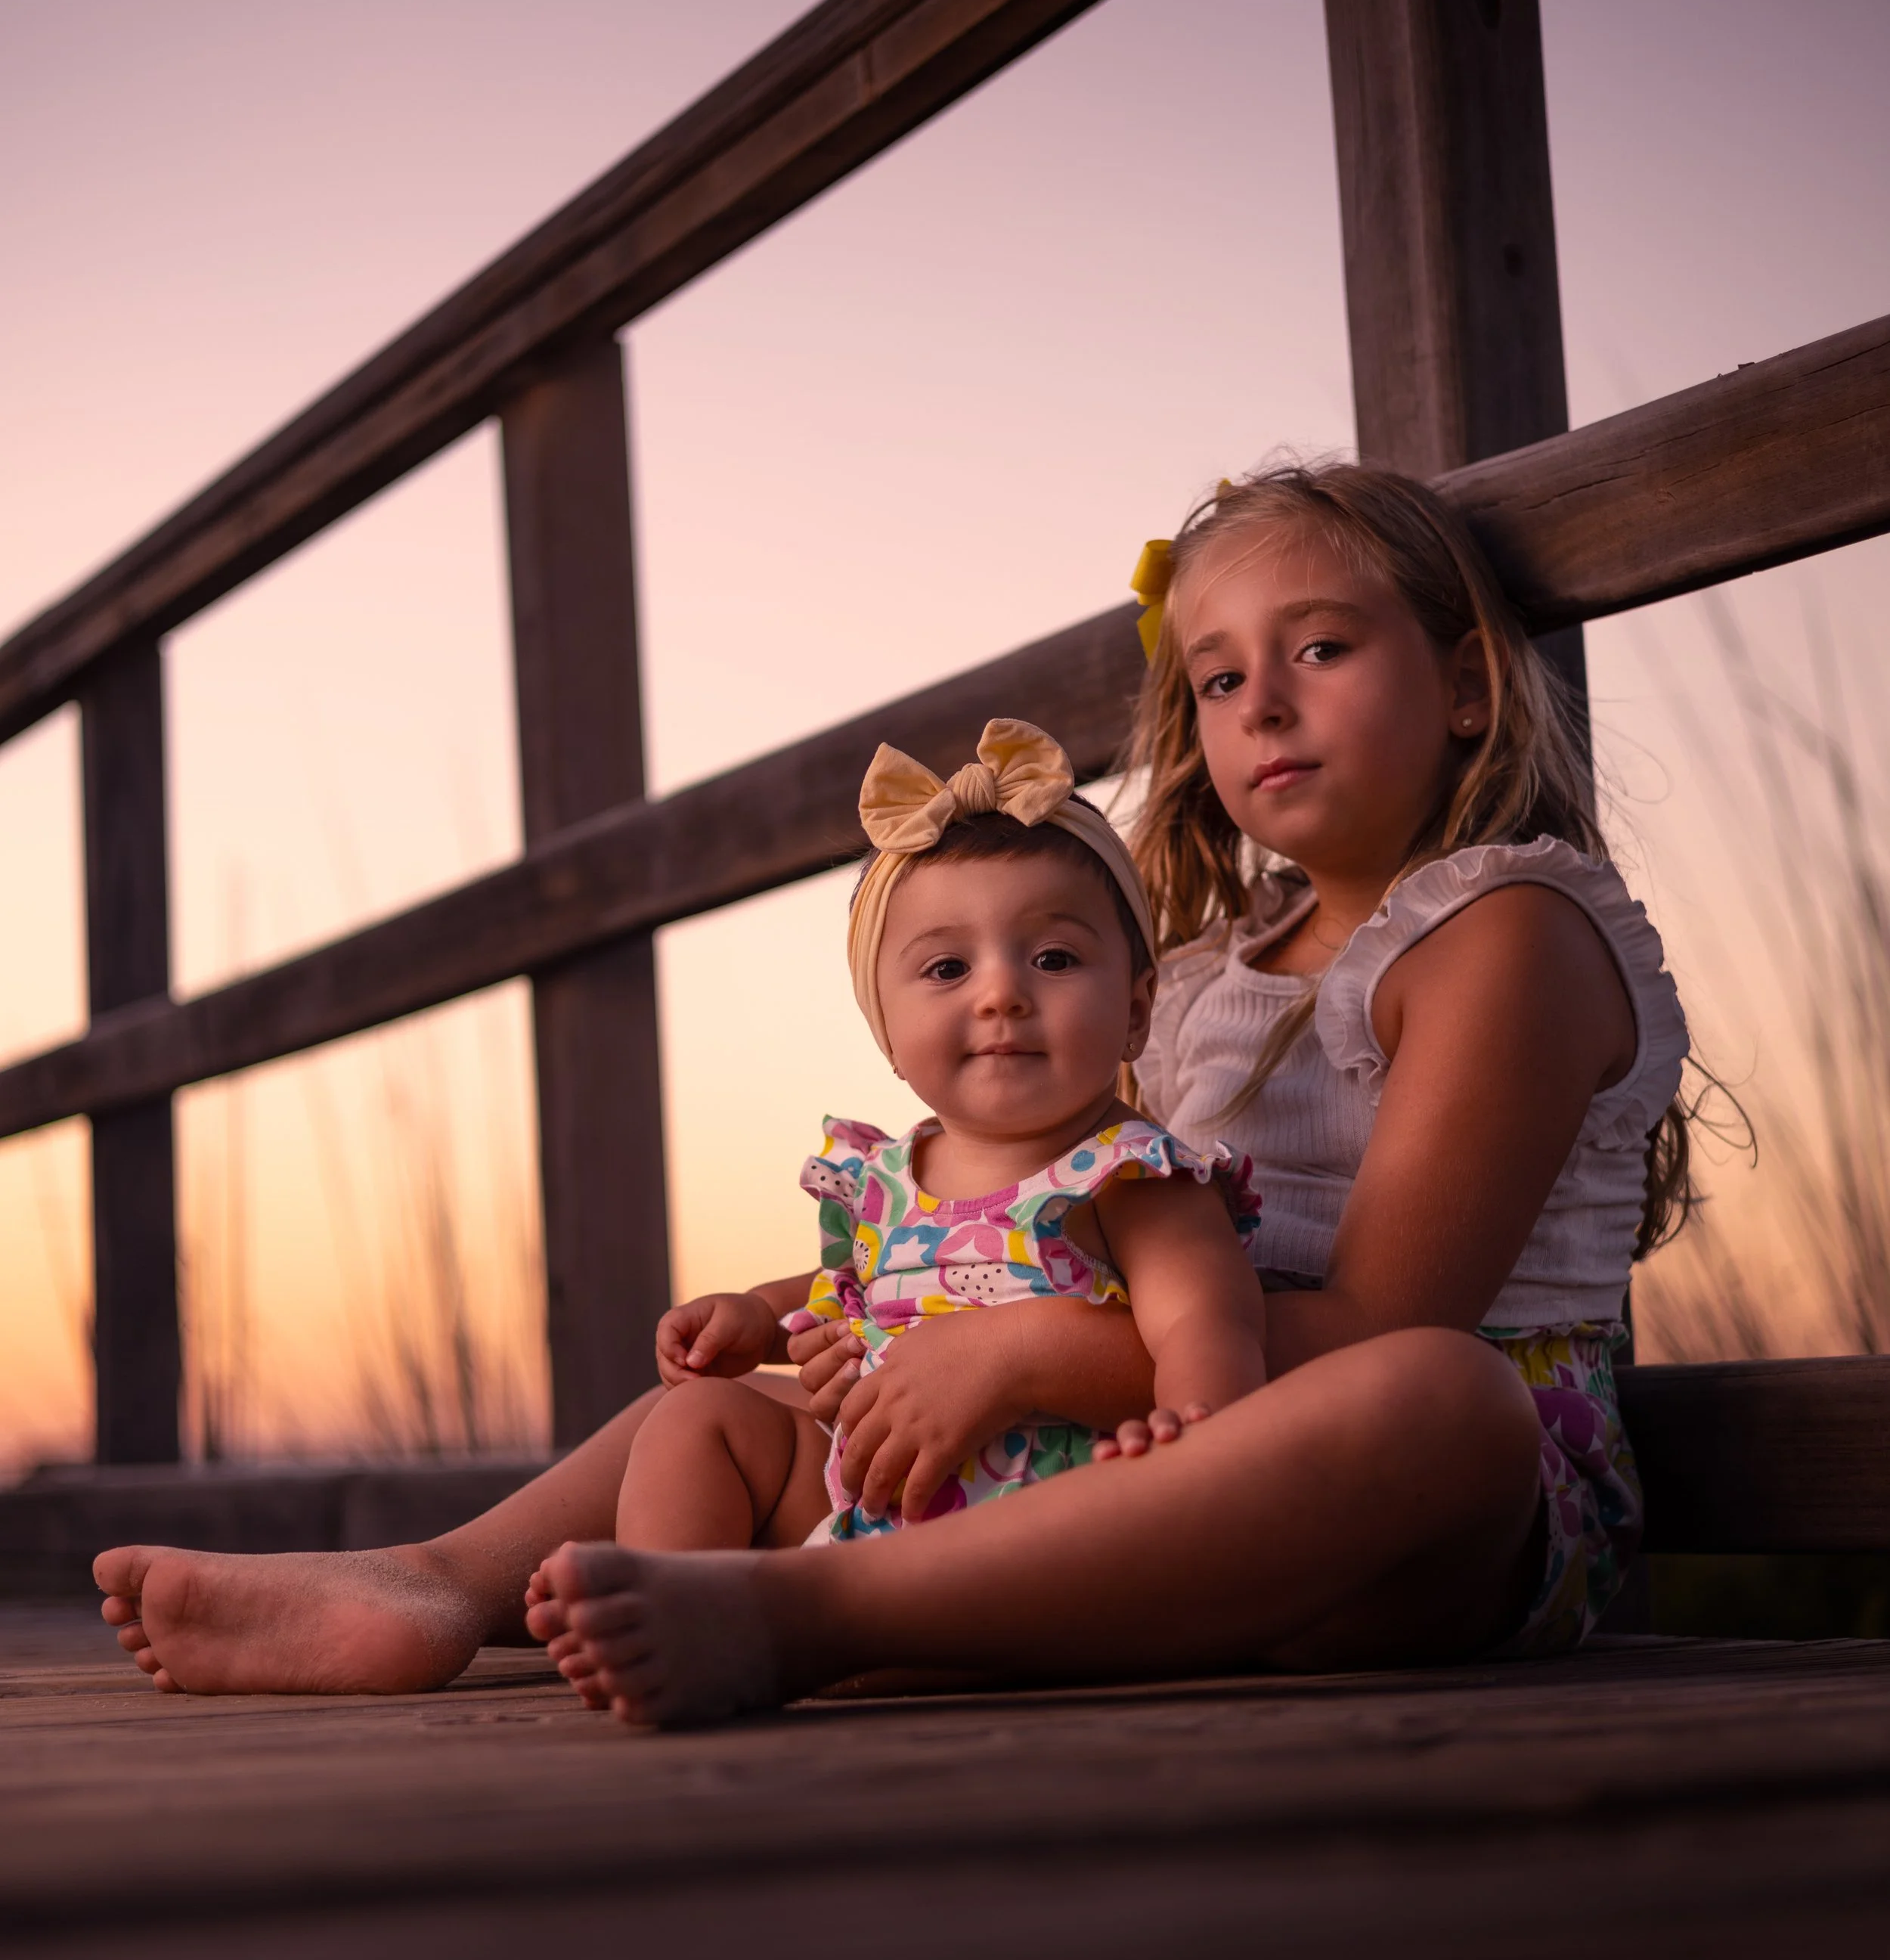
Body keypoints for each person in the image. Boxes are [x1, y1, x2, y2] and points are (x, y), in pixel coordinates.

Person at [96, 458, 1689, 1720]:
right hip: (1143, 1414)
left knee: (1437, 1408)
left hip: (1423, 1496)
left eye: (1319, 648)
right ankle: (438, 1585)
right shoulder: (1201, 967)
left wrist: (1014, 1357)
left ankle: (813, 1613)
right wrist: (825, 1304)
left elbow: (1373, 1327)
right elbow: (1044, 1223)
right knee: (724, 1406)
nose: (1257, 703)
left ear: (1468, 681)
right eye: (1213, 677)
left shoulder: (1504, 931)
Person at [537, 718, 1265, 1574]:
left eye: (1055, 957)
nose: (1001, 993)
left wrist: (1192, 1437)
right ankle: (678, 1591)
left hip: (1052, 1514)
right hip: (874, 1497)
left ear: (1138, 1008)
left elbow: (1208, 1323)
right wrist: (758, 1317)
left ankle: (791, 1613)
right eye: (948, 969)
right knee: (697, 1417)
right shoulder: (882, 1177)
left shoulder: (1130, 1176)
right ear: (887, 1031)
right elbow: (852, 1288)